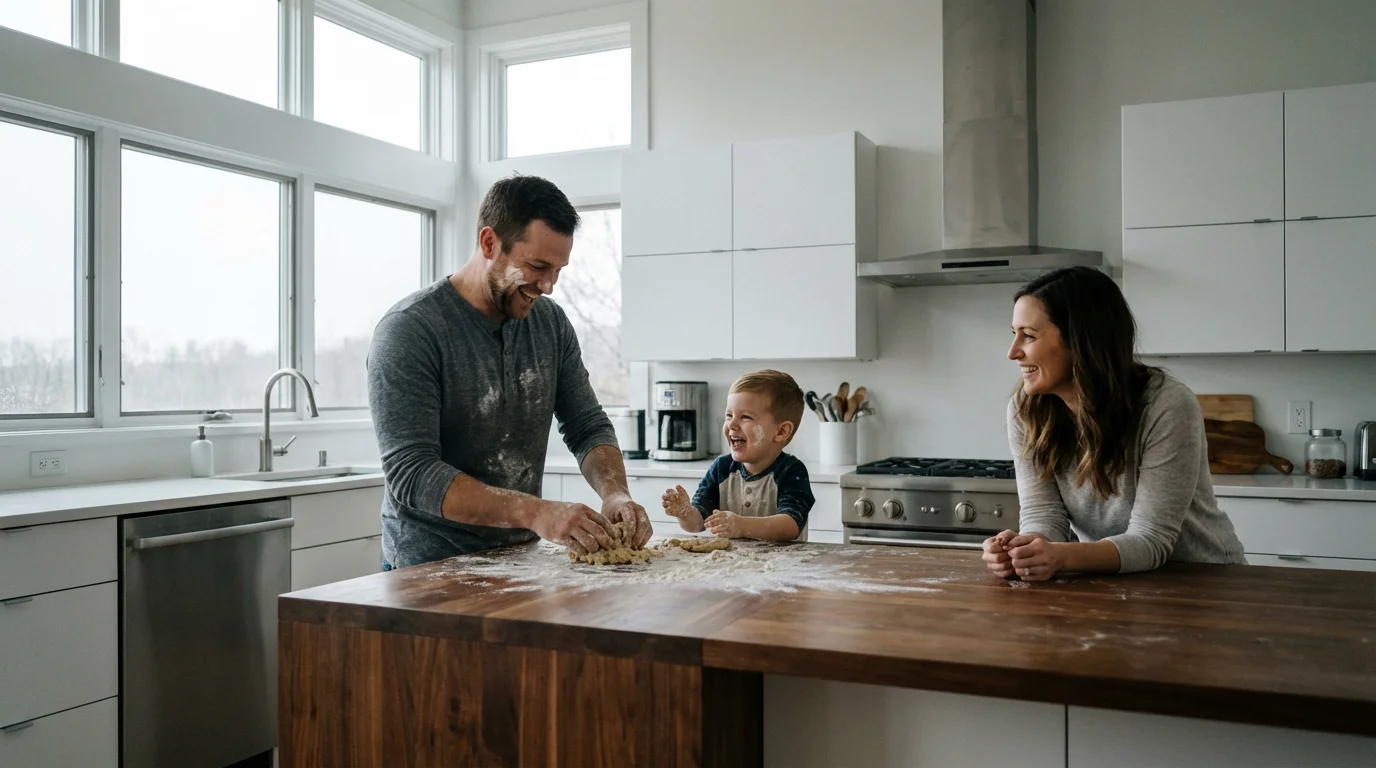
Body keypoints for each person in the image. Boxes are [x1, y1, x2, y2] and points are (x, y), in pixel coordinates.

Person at [367, 175, 649, 569]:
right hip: (428, 569)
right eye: (537, 266)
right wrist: (536, 513)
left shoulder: (550, 325)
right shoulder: (410, 330)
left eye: (558, 270)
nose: (549, 285)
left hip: (518, 561)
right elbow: (413, 474)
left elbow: (586, 425)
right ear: (489, 243)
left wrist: (615, 493)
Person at [984, 266, 1246, 581]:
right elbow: (1044, 516)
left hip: (1203, 581)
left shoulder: (1166, 405)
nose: (1013, 352)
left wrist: (1060, 557)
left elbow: (1152, 540)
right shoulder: (1026, 409)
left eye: (1029, 335)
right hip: (1108, 580)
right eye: (1014, 334)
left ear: (1081, 340)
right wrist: (1024, 551)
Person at [661, 370, 814, 541]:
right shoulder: (722, 469)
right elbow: (697, 523)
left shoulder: (791, 471)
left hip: (783, 566)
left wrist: (741, 526)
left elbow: (790, 525)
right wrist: (685, 513)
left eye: (745, 417)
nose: (731, 424)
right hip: (733, 566)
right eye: (729, 415)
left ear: (781, 431)